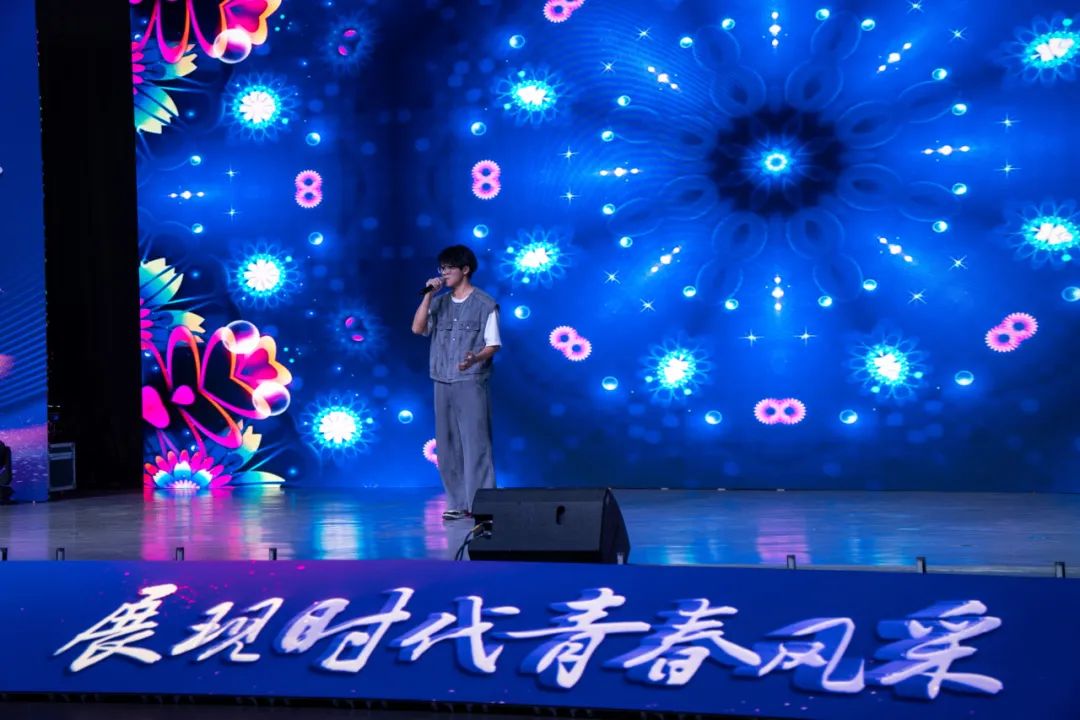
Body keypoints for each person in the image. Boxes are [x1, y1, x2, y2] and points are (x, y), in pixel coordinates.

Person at [411, 245, 500, 520]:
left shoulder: (485, 304)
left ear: (465, 269)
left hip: (471, 380)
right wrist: (428, 295)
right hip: (442, 379)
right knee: (447, 444)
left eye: (449, 267)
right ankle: (456, 502)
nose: (444, 272)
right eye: (442, 268)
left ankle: (482, 504)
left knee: (476, 443)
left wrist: (475, 358)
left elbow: (493, 344)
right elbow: (417, 328)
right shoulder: (438, 303)